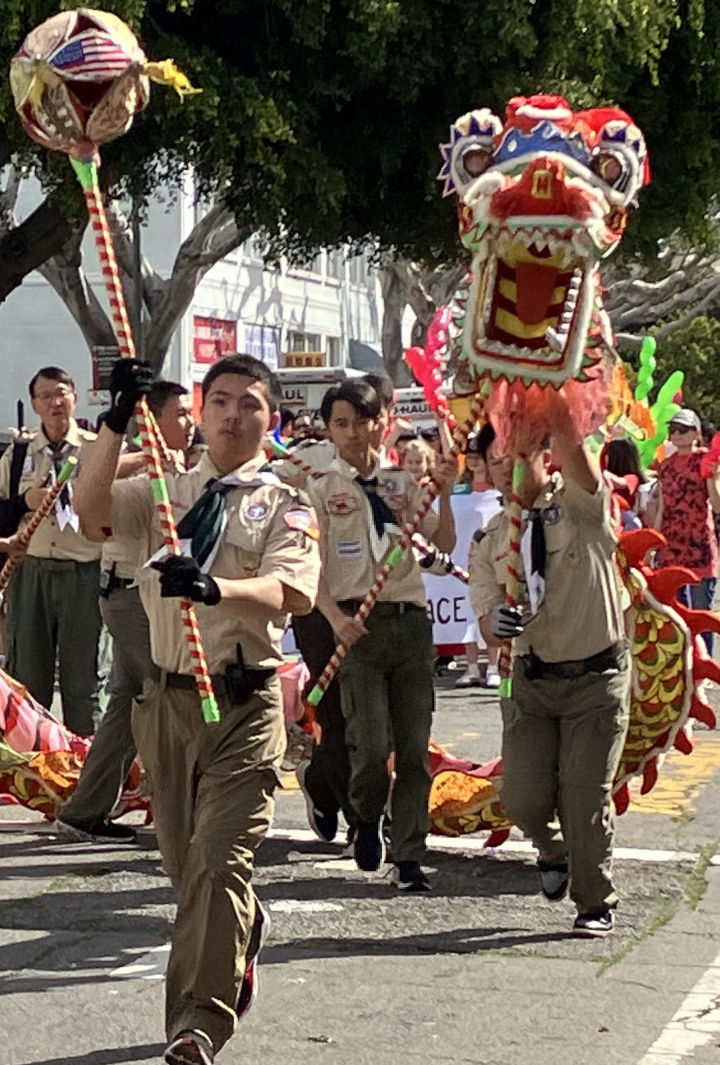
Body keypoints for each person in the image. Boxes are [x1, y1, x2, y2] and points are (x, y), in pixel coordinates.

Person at [74, 353, 321, 1065]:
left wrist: (216, 589)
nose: (233, 415)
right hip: (168, 704)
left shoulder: (286, 501)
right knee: (189, 870)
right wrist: (115, 421)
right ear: (202, 412)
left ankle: (197, 1023)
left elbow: (291, 590)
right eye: (221, 401)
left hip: (243, 704)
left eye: (250, 403)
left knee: (216, 861)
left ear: (271, 418)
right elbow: (89, 513)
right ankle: (241, 926)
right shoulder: (163, 491)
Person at [469, 410, 630, 938]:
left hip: (595, 679)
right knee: (522, 798)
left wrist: (554, 402)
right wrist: (496, 622)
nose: (505, 468)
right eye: (494, 460)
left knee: (583, 798)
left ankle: (594, 899)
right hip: (531, 682)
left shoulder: (582, 505)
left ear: (544, 454)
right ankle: (550, 847)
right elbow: (485, 616)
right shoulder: (490, 539)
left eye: (515, 455)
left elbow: (578, 454)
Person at [306, 378, 457, 892]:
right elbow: (310, 566)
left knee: (413, 748)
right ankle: (367, 815)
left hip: (408, 621)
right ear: (329, 430)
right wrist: (334, 618)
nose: (352, 433)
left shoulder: (402, 483)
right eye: (341, 424)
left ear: (381, 424)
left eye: (362, 422)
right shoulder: (321, 489)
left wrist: (445, 492)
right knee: (369, 746)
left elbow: (442, 540)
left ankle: (409, 853)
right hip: (356, 626)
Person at [54, 381, 195, 845]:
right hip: (131, 597)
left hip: (151, 599)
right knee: (170, 697)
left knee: (125, 706)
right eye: (180, 413)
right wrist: (145, 457)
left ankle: (84, 811)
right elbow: (85, 491)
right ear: (152, 420)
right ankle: (183, 808)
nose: (190, 422)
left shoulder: (185, 470)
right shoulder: (127, 464)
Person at [0, 367, 103, 736]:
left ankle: (85, 760)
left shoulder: (97, 449)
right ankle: (36, 760)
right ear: (34, 404)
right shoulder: (19, 453)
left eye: (61, 393)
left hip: (84, 573)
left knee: (84, 680)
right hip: (32, 572)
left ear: (74, 396)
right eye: (45, 396)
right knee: (28, 677)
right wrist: (25, 500)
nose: (55, 402)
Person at [656, 408, 720, 653]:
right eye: (673, 429)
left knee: (702, 615)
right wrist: (655, 543)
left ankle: (705, 666)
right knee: (675, 614)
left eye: (683, 430)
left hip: (699, 544)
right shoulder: (665, 466)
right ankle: (682, 666)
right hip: (672, 546)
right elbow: (662, 507)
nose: (677, 434)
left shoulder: (706, 460)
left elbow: (716, 505)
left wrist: (712, 478)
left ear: (696, 433)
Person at [454, 428, 502, 688]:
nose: (473, 460)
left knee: (490, 608)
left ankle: (493, 665)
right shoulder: (459, 491)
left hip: (490, 559)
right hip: (464, 558)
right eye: (469, 455)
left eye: (478, 456)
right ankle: (471, 665)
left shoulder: (497, 492)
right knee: (465, 613)